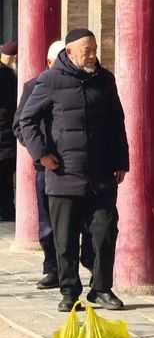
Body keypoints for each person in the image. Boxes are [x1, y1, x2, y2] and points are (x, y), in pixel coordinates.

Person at [19, 28, 129, 312]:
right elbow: (26, 121)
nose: (92, 55)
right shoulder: (50, 80)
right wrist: (41, 154)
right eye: (86, 51)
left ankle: (102, 289)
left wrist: (121, 161)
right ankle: (69, 292)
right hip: (63, 174)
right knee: (65, 239)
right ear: (69, 52)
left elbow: (117, 122)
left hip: (101, 174)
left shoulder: (105, 80)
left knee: (105, 232)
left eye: (94, 50)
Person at [13, 40, 93, 289]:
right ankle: (53, 269)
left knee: (90, 222)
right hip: (48, 167)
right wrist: (42, 153)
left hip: (82, 167)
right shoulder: (34, 85)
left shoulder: (89, 82)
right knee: (49, 223)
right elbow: (21, 125)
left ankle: (88, 263)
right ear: (49, 62)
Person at [0, 40, 17, 220]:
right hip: (6, 138)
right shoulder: (8, 77)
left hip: (5, 138)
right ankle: (6, 211)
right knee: (4, 180)